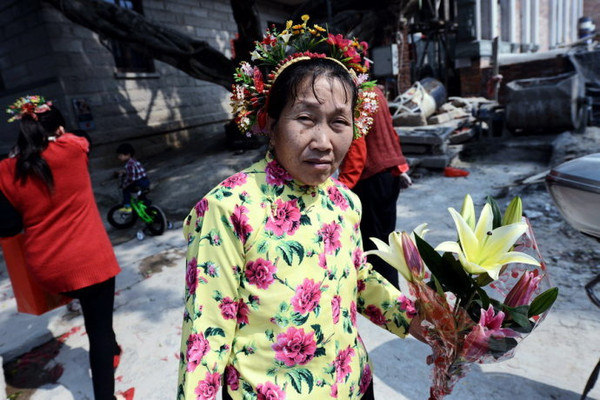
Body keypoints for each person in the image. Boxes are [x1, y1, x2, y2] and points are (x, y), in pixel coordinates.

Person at [177, 16, 421, 400]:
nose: (323, 141)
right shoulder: (228, 208)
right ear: (270, 124)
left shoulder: (345, 201)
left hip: (353, 386)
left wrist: (425, 321)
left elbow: (359, 282)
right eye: (305, 118)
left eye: (339, 122)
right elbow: (206, 337)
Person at [0, 96, 134, 400]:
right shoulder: (73, 149)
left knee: (94, 311)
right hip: (91, 262)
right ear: (58, 129)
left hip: (48, 271)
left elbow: (7, 227)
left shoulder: (7, 170)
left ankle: (111, 346)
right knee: (97, 326)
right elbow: (79, 138)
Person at [338, 85, 412, 289]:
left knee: (374, 243)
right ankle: (393, 295)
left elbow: (357, 146)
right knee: (385, 240)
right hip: (388, 176)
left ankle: (385, 297)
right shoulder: (377, 91)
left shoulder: (353, 94)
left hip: (370, 178)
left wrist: (341, 187)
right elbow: (389, 131)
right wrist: (399, 167)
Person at [115, 142, 149, 212]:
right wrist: (124, 172)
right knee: (142, 196)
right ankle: (149, 207)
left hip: (139, 182)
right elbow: (134, 172)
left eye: (120, 155)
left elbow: (131, 179)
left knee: (126, 190)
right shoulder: (134, 161)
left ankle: (127, 207)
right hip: (145, 181)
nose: (119, 157)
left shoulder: (129, 165)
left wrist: (124, 185)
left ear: (128, 155)